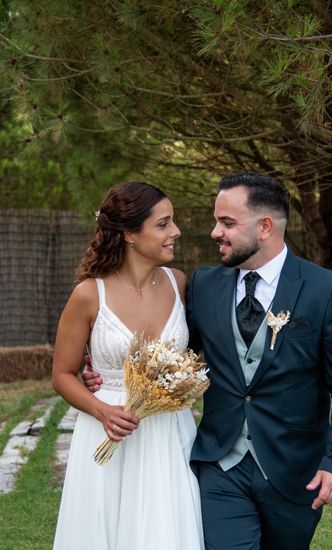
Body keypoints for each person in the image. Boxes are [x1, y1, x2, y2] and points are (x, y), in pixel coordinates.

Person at [84, 173, 332, 549]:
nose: (214, 232)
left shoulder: (326, 290)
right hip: (220, 467)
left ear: (265, 227)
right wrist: (109, 372)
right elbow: (175, 356)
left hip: (293, 469)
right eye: (217, 221)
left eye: (227, 223)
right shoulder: (203, 285)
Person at [51, 181, 204, 550]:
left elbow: (195, 356)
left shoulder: (178, 283)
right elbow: (62, 375)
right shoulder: (89, 294)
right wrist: (102, 411)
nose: (176, 232)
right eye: (164, 224)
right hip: (109, 431)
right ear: (131, 234)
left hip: (169, 431)